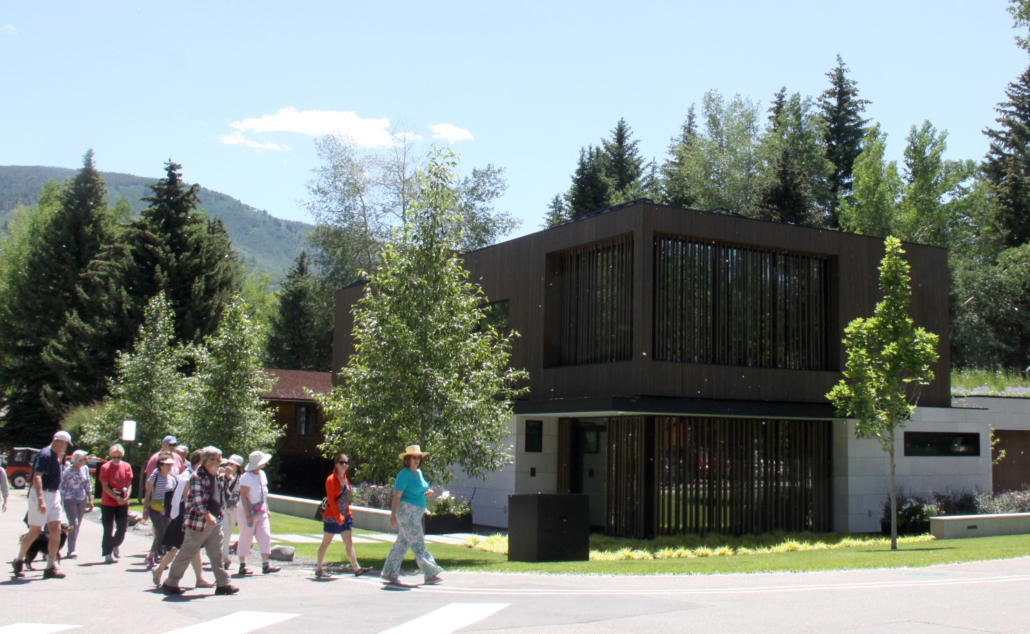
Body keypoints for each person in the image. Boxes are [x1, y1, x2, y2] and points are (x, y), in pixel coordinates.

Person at [160, 446, 238, 596]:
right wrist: (207, 515)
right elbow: (197, 500)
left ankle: (223, 584)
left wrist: (228, 478)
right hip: (199, 523)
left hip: (214, 523)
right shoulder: (197, 476)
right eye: (219, 460)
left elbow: (225, 494)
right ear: (209, 461)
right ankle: (170, 583)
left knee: (216, 554)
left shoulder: (215, 475)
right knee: (187, 553)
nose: (222, 463)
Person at [12, 431, 73, 578]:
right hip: (42, 494)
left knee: (56, 530)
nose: (65, 447)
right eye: (65, 444)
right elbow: (37, 477)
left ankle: (50, 566)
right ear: (58, 441)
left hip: (54, 494)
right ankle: (19, 560)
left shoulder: (56, 456)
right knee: (35, 531)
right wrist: (40, 499)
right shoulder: (45, 454)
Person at [380, 445, 442, 586]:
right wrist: (393, 515)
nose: (417, 460)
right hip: (407, 511)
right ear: (407, 459)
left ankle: (389, 572)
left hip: (417, 511)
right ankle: (430, 572)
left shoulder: (418, 473)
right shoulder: (403, 474)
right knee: (418, 541)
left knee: (402, 543)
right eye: (414, 457)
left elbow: (416, 491)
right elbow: (397, 496)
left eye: (419, 457)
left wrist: (426, 494)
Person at [153, 451, 211, 588]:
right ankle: (159, 569)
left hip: (190, 517)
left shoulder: (193, 474)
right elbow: (186, 501)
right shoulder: (188, 477)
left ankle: (199, 578)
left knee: (192, 547)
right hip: (185, 517)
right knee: (181, 547)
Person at [315, 453, 372, 578]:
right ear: (336, 464)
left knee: (348, 542)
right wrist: (338, 517)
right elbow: (331, 499)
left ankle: (357, 568)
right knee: (326, 542)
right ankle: (319, 569)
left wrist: (347, 515)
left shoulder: (345, 478)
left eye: (346, 462)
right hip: (332, 516)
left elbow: (346, 499)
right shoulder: (331, 479)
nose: (344, 464)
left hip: (345, 515)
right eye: (341, 462)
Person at [236, 451, 279, 575]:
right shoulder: (246, 477)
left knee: (265, 535)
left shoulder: (262, 474)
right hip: (246, 511)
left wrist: (267, 508)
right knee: (246, 537)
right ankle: (242, 565)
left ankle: (266, 564)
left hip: (261, 511)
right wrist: (248, 515)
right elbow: (243, 496)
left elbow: (263, 494)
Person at [98, 444, 133, 564]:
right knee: (108, 528)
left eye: (118, 456)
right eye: (114, 457)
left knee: (122, 528)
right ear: (110, 456)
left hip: (123, 503)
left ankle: (114, 544)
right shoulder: (105, 467)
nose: (116, 459)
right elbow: (105, 487)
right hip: (108, 502)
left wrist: (127, 495)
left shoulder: (127, 466)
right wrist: (117, 498)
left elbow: (129, 483)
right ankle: (107, 553)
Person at [143, 453, 176, 569]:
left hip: (167, 510)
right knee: (161, 533)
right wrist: (145, 510)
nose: (170, 467)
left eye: (171, 465)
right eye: (167, 465)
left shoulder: (172, 479)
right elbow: (148, 493)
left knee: (160, 534)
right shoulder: (155, 476)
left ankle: (150, 556)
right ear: (161, 465)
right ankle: (162, 557)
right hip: (155, 509)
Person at [59, 449, 93, 559]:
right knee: (73, 523)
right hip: (70, 499)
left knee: (77, 525)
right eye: (85, 458)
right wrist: (61, 500)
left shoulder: (85, 469)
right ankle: (71, 550)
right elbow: (62, 486)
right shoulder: (67, 471)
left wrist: (90, 500)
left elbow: (87, 484)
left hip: (82, 499)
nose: (87, 460)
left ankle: (72, 546)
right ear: (78, 460)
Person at [219, 454, 244, 570]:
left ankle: (224, 556)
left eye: (233, 464)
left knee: (229, 533)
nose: (230, 466)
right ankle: (223, 557)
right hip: (223, 507)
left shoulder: (242, 478)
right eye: (229, 463)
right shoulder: (222, 476)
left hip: (234, 508)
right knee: (224, 532)